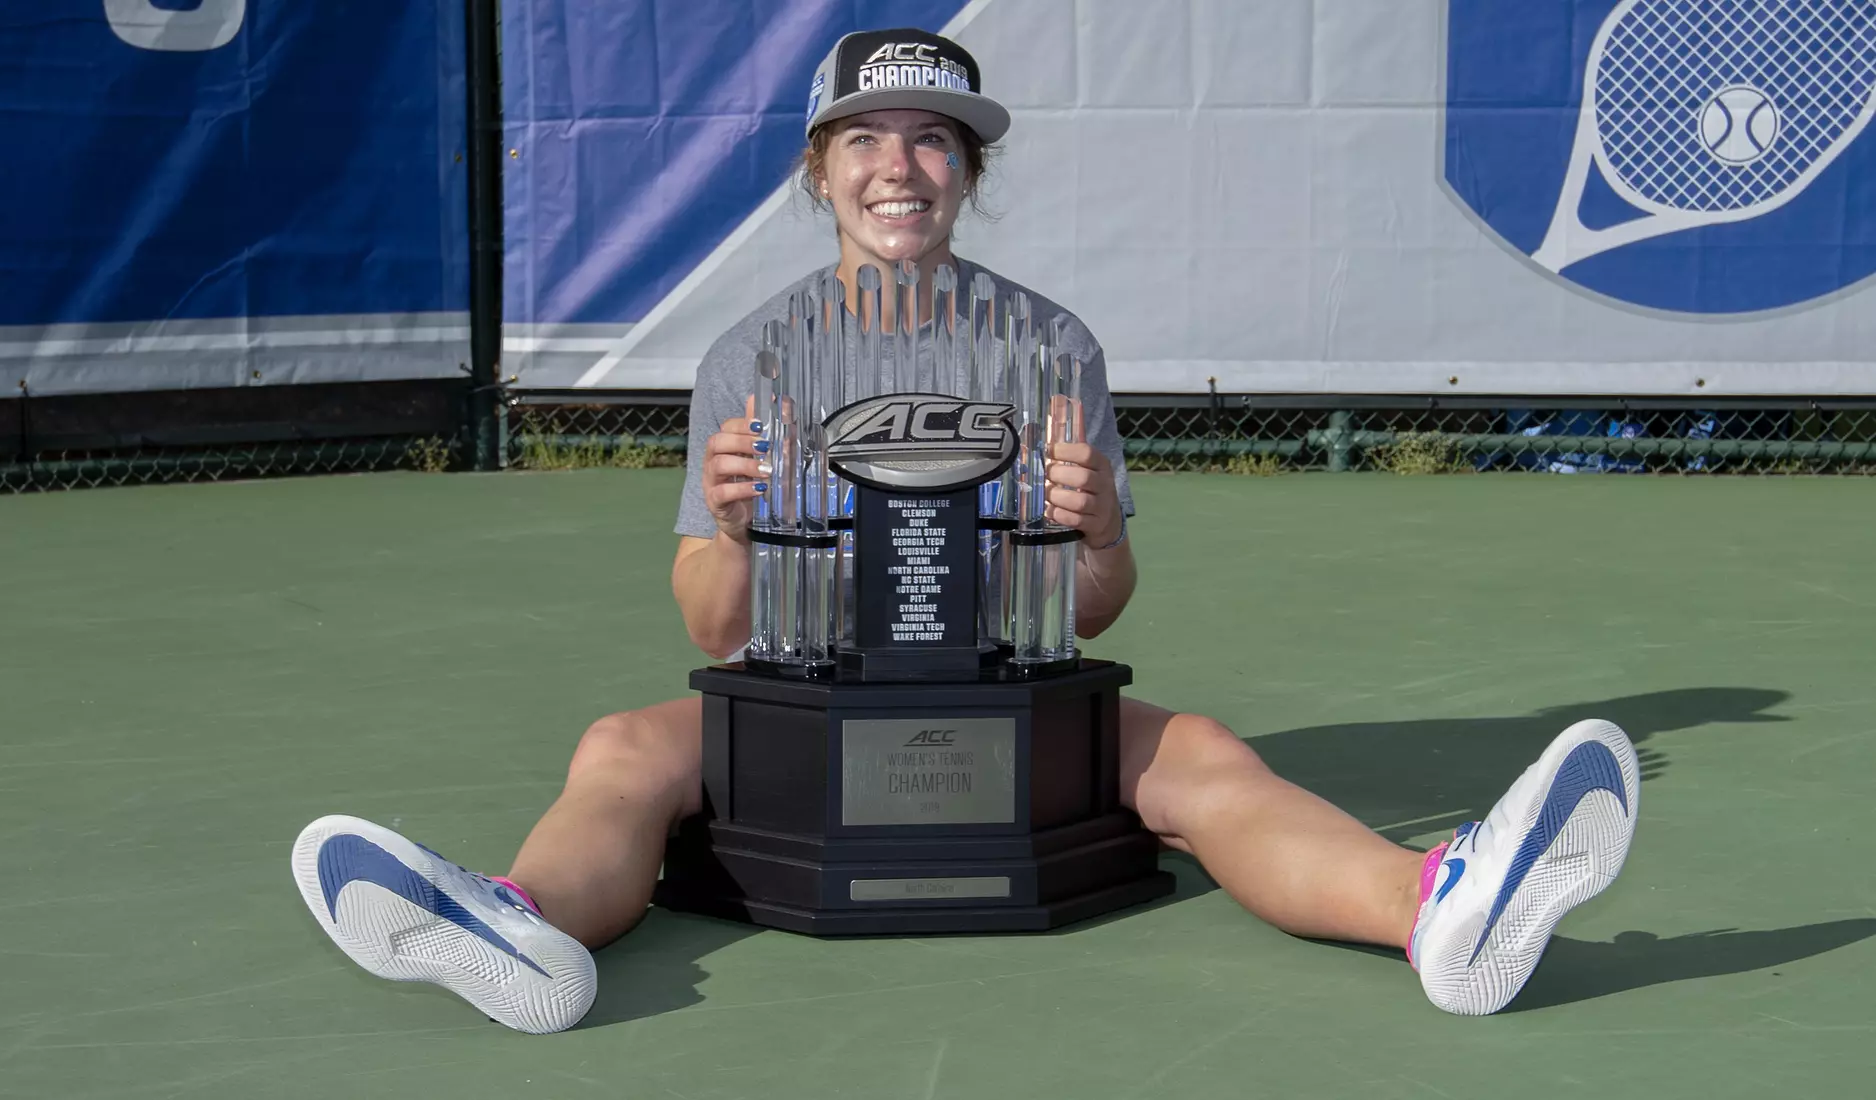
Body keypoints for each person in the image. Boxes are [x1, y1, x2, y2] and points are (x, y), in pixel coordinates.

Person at [289, 28, 1641, 1034]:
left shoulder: (1050, 345)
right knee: (625, 752)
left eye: (933, 139)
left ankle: (1433, 908)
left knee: (1203, 760)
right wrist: (740, 528)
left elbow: (1094, 609)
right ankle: (523, 923)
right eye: (865, 139)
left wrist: (1097, 529)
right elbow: (710, 624)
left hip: (1004, 691)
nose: (900, 167)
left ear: (967, 173)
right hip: (800, 695)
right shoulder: (751, 355)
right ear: (820, 170)